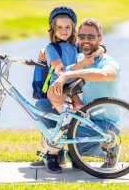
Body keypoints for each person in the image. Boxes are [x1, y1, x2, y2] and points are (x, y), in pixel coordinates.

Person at [31, 18, 121, 174]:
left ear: (100, 39)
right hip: (82, 117)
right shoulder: (79, 58)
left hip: (105, 125)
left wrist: (69, 74)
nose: (86, 40)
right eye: (82, 36)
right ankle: (56, 154)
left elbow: (107, 74)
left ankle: (110, 149)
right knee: (42, 107)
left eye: (91, 37)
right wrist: (45, 51)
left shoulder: (107, 61)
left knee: (73, 140)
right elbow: (63, 60)